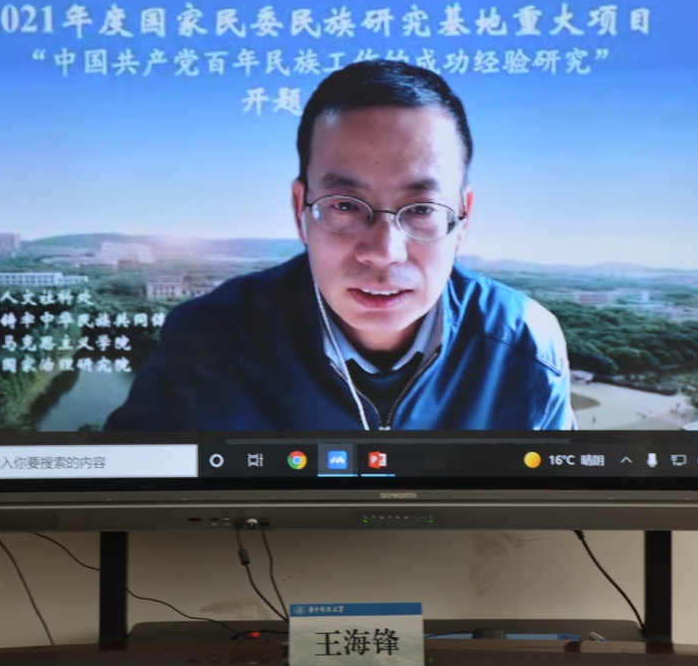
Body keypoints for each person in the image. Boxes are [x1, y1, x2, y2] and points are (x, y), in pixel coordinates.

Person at [105, 59, 575, 431]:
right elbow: (130, 500)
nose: (384, 251)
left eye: (421, 209)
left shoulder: (522, 343)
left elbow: (551, 508)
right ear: (300, 210)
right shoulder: (208, 341)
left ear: (463, 217)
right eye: (346, 206)